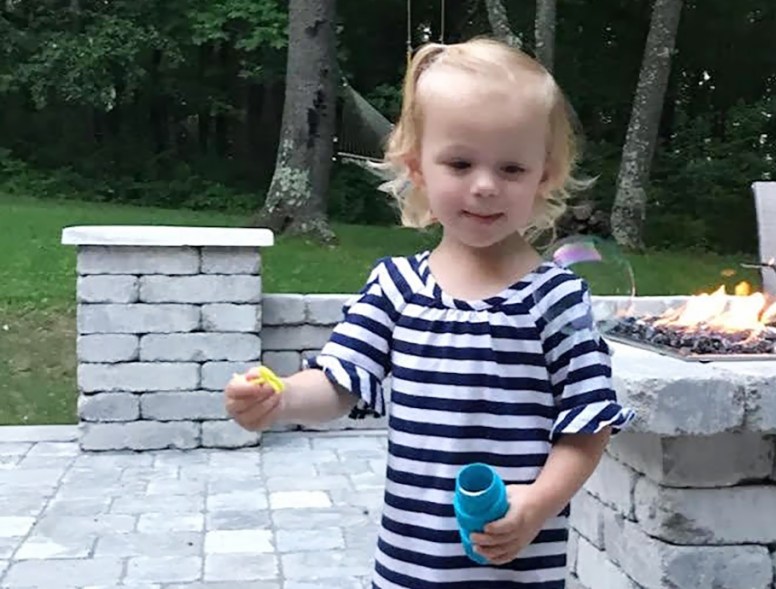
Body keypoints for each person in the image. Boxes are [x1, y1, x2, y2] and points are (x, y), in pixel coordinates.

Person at [224, 37, 634, 588]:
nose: (485, 186)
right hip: (410, 569)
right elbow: (339, 383)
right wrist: (281, 398)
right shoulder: (396, 287)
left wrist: (536, 505)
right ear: (417, 168)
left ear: (546, 176)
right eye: (460, 162)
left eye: (511, 168)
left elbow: (589, 427)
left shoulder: (555, 299)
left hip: (519, 572)